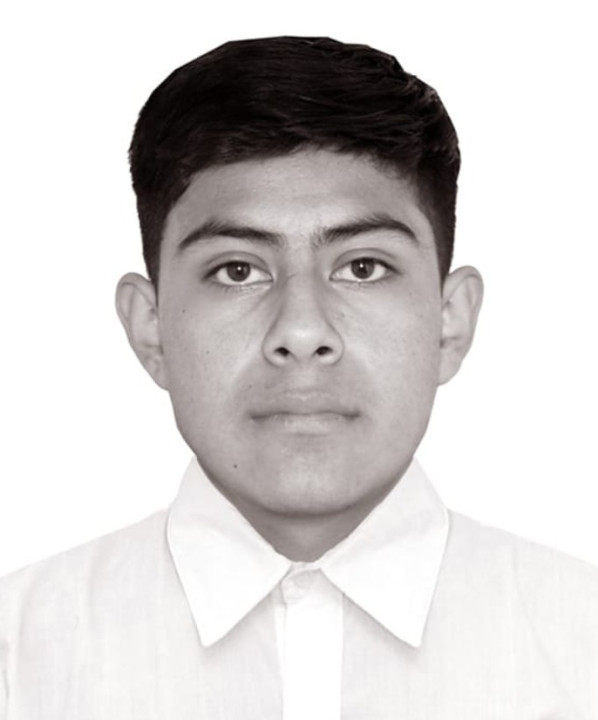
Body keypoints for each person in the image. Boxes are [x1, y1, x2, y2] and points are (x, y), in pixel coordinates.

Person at [0, 35, 596, 720]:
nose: (302, 331)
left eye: (363, 267)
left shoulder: (584, 647)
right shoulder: (18, 658)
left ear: (450, 321)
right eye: (237, 270)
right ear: (150, 326)